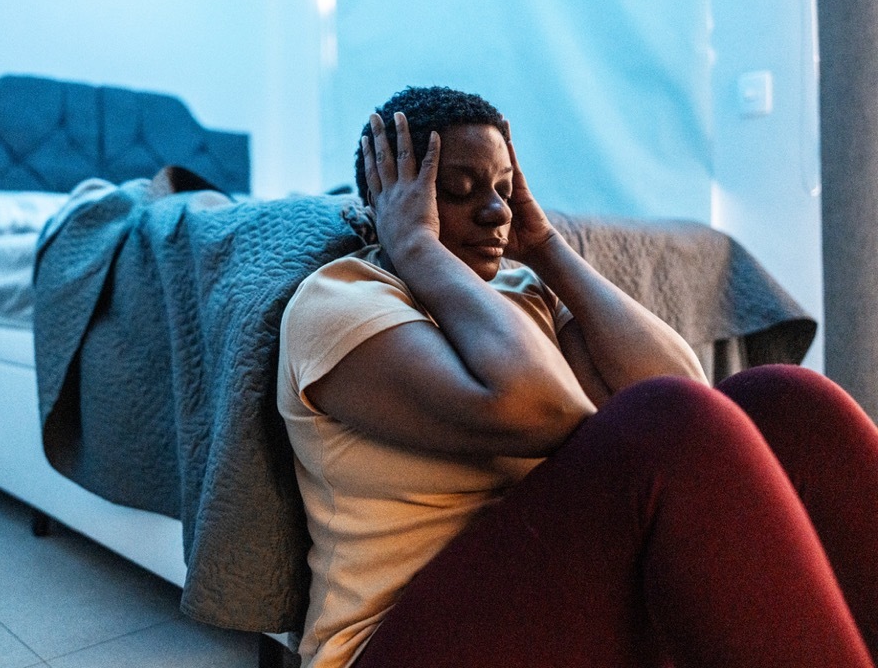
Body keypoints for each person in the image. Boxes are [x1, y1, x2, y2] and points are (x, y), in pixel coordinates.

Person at [276, 86, 878, 668]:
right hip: (407, 640)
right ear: (390, 202)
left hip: (556, 612)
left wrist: (543, 245)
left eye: (504, 190)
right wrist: (415, 246)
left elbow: (689, 386)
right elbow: (537, 409)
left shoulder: (520, 289)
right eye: (459, 192)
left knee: (781, 401)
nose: (495, 211)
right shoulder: (343, 300)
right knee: (663, 421)